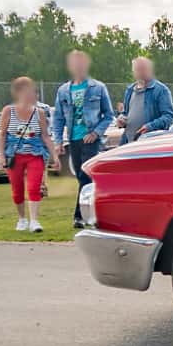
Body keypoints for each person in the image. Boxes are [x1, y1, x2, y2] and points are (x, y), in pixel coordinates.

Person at [52, 50, 115, 227]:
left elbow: (109, 115)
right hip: (73, 139)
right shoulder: (64, 90)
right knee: (82, 177)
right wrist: (58, 141)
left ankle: (79, 216)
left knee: (86, 174)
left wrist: (95, 133)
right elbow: (58, 118)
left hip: (91, 140)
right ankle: (92, 213)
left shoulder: (98, 88)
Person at [0, 76, 61, 232]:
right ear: (20, 93)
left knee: (34, 187)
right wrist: (1, 156)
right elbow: (2, 135)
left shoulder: (39, 113)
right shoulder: (8, 111)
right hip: (14, 155)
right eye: (29, 91)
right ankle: (22, 219)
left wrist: (54, 156)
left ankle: (34, 221)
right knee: (17, 188)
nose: (33, 95)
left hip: (35, 154)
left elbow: (45, 136)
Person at [115, 56, 173, 146]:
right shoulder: (129, 90)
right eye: (137, 69)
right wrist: (121, 120)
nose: (140, 72)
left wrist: (149, 127)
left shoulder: (161, 90)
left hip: (150, 145)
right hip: (128, 144)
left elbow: (168, 117)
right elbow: (126, 114)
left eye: (143, 69)